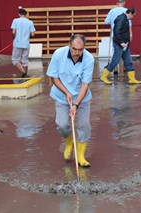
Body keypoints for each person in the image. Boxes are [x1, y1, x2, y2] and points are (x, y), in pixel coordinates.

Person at [46, 34, 94, 167]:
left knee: (84, 125)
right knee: (62, 125)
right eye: (74, 49)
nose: (77, 53)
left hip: (81, 97)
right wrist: (66, 92)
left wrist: (76, 104)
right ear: (69, 45)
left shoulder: (89, 58)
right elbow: (54, 78)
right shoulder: (58, 54)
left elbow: (85, 85)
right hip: (62, 95)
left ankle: (80, 155)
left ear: (84, 48)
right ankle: (69, 142)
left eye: (80, 50)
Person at [100, 8, 141, 85]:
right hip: (120, 44)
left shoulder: (124, 19)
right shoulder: (121, 19)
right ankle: (104, 76)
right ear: (130, 13)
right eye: (134, 15)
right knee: (115, 61)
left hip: (124, 44)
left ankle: (132, 78)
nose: (133, 17)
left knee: (128, 61)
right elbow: (116, 32)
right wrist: (121, 42)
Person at [105, 0, 132, 74]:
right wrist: (131, 34)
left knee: (116, 52)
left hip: (114, 34)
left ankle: (116, 68)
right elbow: (129, 23)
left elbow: (106, 21)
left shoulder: (112, 11)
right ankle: (123, 67)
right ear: (123, 2)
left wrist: (113, 22)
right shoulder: (126, 11)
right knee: (123, 51)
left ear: (117, 3)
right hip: (124, 34)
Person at [11, 8, 36, 78]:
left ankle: (23, 72)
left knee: (15, 59)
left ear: (19, 14)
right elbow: (33, 34)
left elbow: (13, 32)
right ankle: (25, 76)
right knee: (25, 60)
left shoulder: (15, 20)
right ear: (26, 14)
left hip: (17, 43)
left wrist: (14, 37)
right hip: (26, 43)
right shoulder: (30, 22)